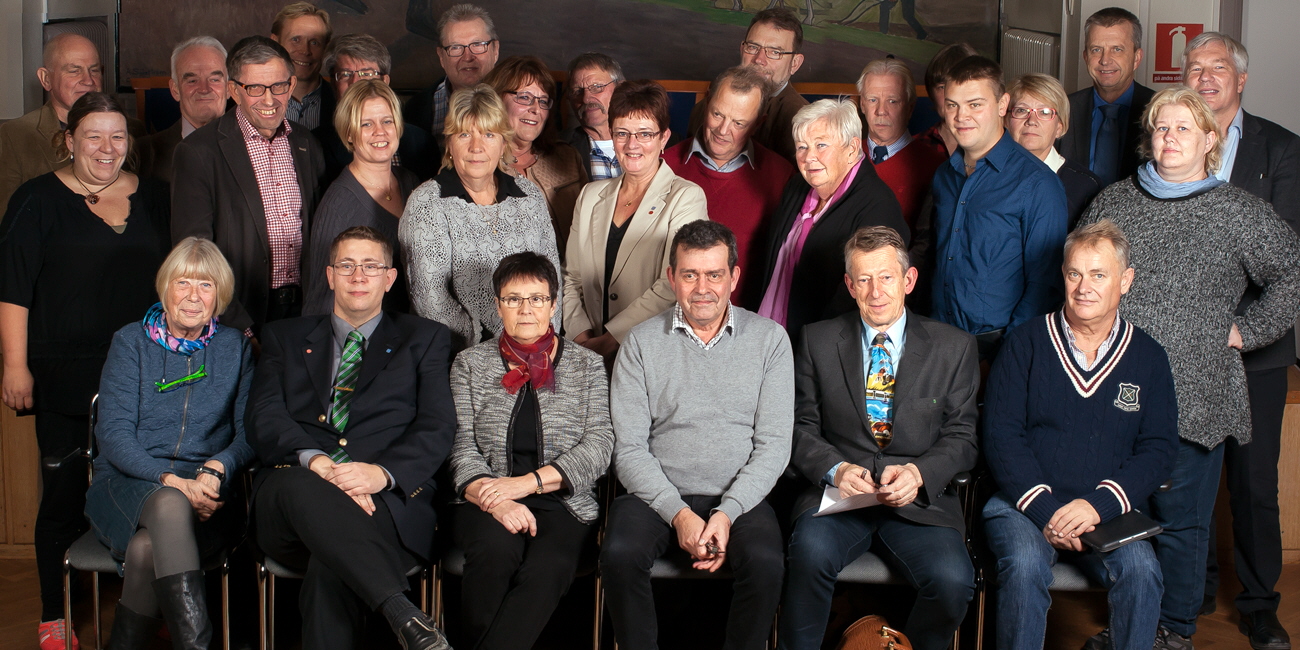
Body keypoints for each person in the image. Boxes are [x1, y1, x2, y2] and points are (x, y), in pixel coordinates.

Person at [1078, 87, 1300, 649]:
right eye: (1160, 128)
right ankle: (1131, 626)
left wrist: (1247, 331)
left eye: (1183, 128)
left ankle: (1172, 631)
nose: (1169, 138)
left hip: (1197, 394)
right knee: (1123, 518)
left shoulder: (1238, 211)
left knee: (1181, 524)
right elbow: (1079, 275)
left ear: (1209, 140)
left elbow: (1291, 271)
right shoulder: (1114, 203)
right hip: (1116, 390)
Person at [0, 92, 171, 650]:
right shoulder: (36, 199)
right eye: (93, 136)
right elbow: (13, 289)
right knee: (63, 496)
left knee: (146, 492)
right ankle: (55, 615)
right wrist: (15, 365)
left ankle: (144, 607)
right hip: (64, 374)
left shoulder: (156, 198)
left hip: (146, 374)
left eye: (117, 136)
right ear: (68, 140)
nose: (106, 147)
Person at [246, 226, 455, 650]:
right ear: (329, 275)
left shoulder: (425, 338)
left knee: (332, 566)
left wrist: (382, 474)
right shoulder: (284, 337)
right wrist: (318, 462)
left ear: (389, 278)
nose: (358, 276)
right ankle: (404, 614)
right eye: (346, 265)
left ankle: (408, 623)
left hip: (385, 504)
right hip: (291, 502)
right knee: (302, 484)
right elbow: (263, 416)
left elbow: (437, 425)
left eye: (370, 266)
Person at [779, 226, 978, 650]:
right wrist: (835, 469)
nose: (876, 291)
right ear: (850, 285)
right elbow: (798, 425)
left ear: (909, 280)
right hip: (838, 499)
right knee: (807, 557)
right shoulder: (816, 340)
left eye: (886, 277)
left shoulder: (954, 347)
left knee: (954, 581)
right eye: (864, 279)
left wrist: (920, 474)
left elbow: (963, 437)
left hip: (918, 503)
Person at [982, 220, 1178, 650]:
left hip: (1109, 511)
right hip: (1022, 505)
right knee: (1024, 565)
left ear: (1125, 281)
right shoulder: (1025, 343)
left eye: (1098, 275)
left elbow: (1159, 449)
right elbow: (1001, 436)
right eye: (1075, 273)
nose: (1084, 287)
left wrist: (1097, 505)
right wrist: (1048, 511)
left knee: (1142, 572)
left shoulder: (1148, 356)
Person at [602, 220, 793, 650]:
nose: (702, 288)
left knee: (767, 564)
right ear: (672, 278)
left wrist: (726, 513)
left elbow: (774, 446)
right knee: (619, 554)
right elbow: (628, 449)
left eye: (714, 275)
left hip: (740, 499)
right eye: (690, 275)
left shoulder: (770, 341)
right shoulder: (640, 343)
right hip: (655, 496)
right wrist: (679, 514)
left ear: (734, 277)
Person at [1183, 31, 1300, 648]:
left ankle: (1259, 603)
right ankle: (1195, 588)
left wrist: (1241, 327)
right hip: (1188, 346)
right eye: (1194, 68)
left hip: (1256, 349)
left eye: (1218, 68)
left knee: (1253, 485)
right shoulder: (1173, 142)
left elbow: (1286, 253)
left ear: (1241, 79)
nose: (1205, 77)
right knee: (1192, 473)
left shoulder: (1280, 148)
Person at [87, 238, 254, 650]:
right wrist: (170, 480)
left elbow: (250, 433)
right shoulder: (130, 342)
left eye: (206, 285)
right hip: (125, 483)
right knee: (169, 503)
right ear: (165, 288)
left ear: (220, 295)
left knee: (146, 549)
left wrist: (216, 469)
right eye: (183, 283)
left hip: (208, 492)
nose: (193, 296)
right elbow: (113, 434)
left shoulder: (235, 347)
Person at [449, 252, 613, 650]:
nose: (526, 309)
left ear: (554, 305)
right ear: (497, 305)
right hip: (487, 496)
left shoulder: (587, 365)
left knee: (549, 567)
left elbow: (599, 444)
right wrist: (494, 496)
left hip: (562, 499)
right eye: (513, 299)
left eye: (537, 298)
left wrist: (525, 484)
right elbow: (459, 445)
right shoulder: (469, 363)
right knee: (493, 554)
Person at [171, 35, 327, 337]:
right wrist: (240, 327)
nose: (269, 100)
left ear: (292, 85)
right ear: (234, 90)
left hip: (306, 312)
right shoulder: (198, 152)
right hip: (240, 317)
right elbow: (194, 255)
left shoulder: (307, 144)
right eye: (255, 88)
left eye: (278, 86)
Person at [401, 85, 560, 352]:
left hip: (535, 349)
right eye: (464, 134)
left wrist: (540, 342)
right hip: (460, 354)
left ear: (503, 144)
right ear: (449, 145)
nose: (476, 147)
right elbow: (430, 299)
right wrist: (489, 352)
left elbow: (553, 279)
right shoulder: (426, 202)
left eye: (488, 134)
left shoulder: (529, 195)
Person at [561, 80, 707, 367]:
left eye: (645, 133)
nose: (632, 144)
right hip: (585, 352)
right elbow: (571, 277)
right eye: (622, 133)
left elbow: (673, 283)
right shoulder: (590, 196)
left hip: (650, 354)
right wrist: (582, 337)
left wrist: (610, 340)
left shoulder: (686, 197)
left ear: (664, 137)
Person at [929, 56, 1067, 358]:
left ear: (1003, 104)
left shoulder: (1038, 184)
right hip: (938, 339)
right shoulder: (943, 176)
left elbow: (1045, 287)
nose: (961, 116)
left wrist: (1009, 353)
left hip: (999, 347)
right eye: (952, 105)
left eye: (975, 104)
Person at [751, 98, 907, 343]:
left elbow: (867, 294)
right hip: (771, 336)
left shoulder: (878, 205)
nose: (809, 157)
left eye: (821, 145)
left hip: (824, 345)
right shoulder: (796, 186)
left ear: (852, 148)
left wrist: (816, 348)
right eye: (802, 147)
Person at [663, 66, 794, 306]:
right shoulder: (664, 167)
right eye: (717, 114)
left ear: (759, 123)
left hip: (746, 318)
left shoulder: (781, 176)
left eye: (739, 123)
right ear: (706, 102)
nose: (723, 131)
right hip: (669, 314)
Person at [304, 80, 419, 316]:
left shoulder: (411, 183)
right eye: (366, 124)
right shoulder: (338, 206)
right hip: (368, 334)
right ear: (349, 133)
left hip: (412, 328)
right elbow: (320, 301)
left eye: (387, 121)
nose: (380, 131)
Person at [483, 55, 588, 253]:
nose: (536, 109)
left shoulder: (567, 157)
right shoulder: (476, 167)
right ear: (495, 101)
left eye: (543, 101)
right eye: (524, 97)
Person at [313, 33, 438, 185]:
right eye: (345, 74)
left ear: (385, 81)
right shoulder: (316, 145)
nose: (355, 83)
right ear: (334, 84)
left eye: (367, 73)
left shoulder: (422, 142)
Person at [689, 7, 808, 165]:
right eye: (753, 47)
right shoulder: (706, 107)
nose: (759, 59)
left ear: (795, 64)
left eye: (775, 52)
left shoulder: (801, 121)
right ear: (742, 49)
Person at [0, 34, 103, 210]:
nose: (88, 81)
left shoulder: (131, 131)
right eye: (74, 71)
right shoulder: (15, 135)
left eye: (94, 70)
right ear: (46, 79)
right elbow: (7, 216)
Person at [1057, 7, 1155, 186]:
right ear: (1086, 57)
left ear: (1136, 58)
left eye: (1117, 49)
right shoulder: (1064, 109)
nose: (1105, 60)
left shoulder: (1159, 111)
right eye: (1096, 50)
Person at [857, 57, 948, 230]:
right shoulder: (843, 156)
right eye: (872, 100)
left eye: (892, 101)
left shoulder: (935, 167)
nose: (881, 111)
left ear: (909, 108)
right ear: (862, 104)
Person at [1005, 73, 1103, 228]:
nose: (1032, 121)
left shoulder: (1087, 187)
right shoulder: (986, 176)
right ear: (1006, 121)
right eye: (1022, 110)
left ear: (1060, 127)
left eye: (1045, 112)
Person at [406, 3, 500, 147]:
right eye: (455, 47)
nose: (467, 57)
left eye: (477, 44)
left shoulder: (518, 104)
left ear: (495, 50)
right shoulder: (415, 110)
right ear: (441, 57)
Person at [139, 37, 229, 184]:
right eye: (192, 81)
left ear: (229, 87)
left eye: (214, 79)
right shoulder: (144, 153)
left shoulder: (256, 146)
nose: (204, 89)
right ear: (175, 90)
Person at [271, 2, 334, 130]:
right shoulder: (250, 103)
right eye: (295, 40)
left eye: (314, 42)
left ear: (325, 48)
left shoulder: (342, 103)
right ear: (275, 43)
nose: (305, 51)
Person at [563, 52, 625, 181]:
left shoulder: (655, 144)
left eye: (597, 87)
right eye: (577, 91)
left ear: (619, 88)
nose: (586, 99)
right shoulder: (557, 151)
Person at [917, 42, 978, 156]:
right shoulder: (914, 148)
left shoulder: (995, 147)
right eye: (943, 87)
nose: (952, 97)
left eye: (962, 86)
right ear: (931, 93)